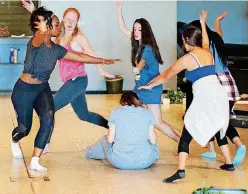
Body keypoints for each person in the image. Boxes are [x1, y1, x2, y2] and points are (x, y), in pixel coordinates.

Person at [10, 7, 120, 172]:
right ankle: (15, 141)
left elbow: (81, 56)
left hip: (56, 85)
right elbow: (40, 28)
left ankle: (36, 158)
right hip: (24, 89)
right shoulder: (39, 39)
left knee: (48, 116)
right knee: (25, 128)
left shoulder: (62, 46)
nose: (62, 26)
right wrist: (35, 12)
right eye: (58, 23)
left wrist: (103, 62)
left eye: (72, 21)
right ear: (48, 26)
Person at [139, 10, 234, 183]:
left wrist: (149, 84)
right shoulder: (206, 52)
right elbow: (206, 41)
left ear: (185, 40)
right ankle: (229, 163)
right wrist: (203, 24)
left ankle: (181, 170)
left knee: (187, 130)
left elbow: (166, 74)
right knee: (219, 125)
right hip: (220, 93)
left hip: (206, 96)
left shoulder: (187, 59)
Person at [116, 0, 180, 143]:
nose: (136, 32)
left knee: (157, 121)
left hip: (150, 88)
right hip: (140, 88)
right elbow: (121, 27)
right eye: (135, 29)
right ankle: (138, 141)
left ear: (145, 31)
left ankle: (180, 142)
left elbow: (140, 65)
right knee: (135, 113)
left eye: (139, 29)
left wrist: (136, 70)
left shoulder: (148, 49)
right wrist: (119, 8)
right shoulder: (137, 45)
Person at [188, 12, 246, 166]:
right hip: (230, 82)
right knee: (218, 119)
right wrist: (217, 22)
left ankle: (238, 145)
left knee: (219, 121)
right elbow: (219, 33)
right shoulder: (216, 39)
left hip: (217, 83)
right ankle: (213, 151)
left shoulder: (203, 47)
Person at [84, 91, 159, 170]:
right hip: (145, 162)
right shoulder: (147, 113)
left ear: (123, 101)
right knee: (153, 140)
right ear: (137, 100)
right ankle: (152, 156)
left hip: (119, 162)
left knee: (104, 139)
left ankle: (88, 152)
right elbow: (153, 140)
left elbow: (109, 140)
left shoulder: (116, 112)